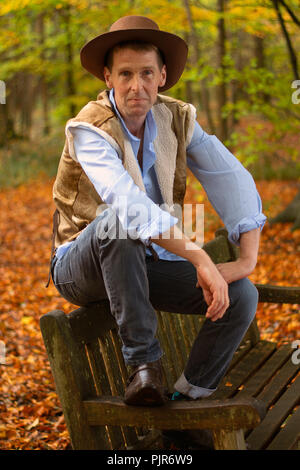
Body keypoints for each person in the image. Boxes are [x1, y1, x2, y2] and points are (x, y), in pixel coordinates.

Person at [49, 15, 266, 407]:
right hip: (81, 264)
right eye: (126, 74)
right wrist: (199, 256)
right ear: (108, 77)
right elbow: (128, 207)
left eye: (147, 73)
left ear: (162, 75)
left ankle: (187, 400)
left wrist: (247, 259)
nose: (137, 86)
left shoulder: (177, 118)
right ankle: (145, 368)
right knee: (117, 224)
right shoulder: (89, 129)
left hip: (142, 264)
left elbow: (231, 177)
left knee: (242, 295)